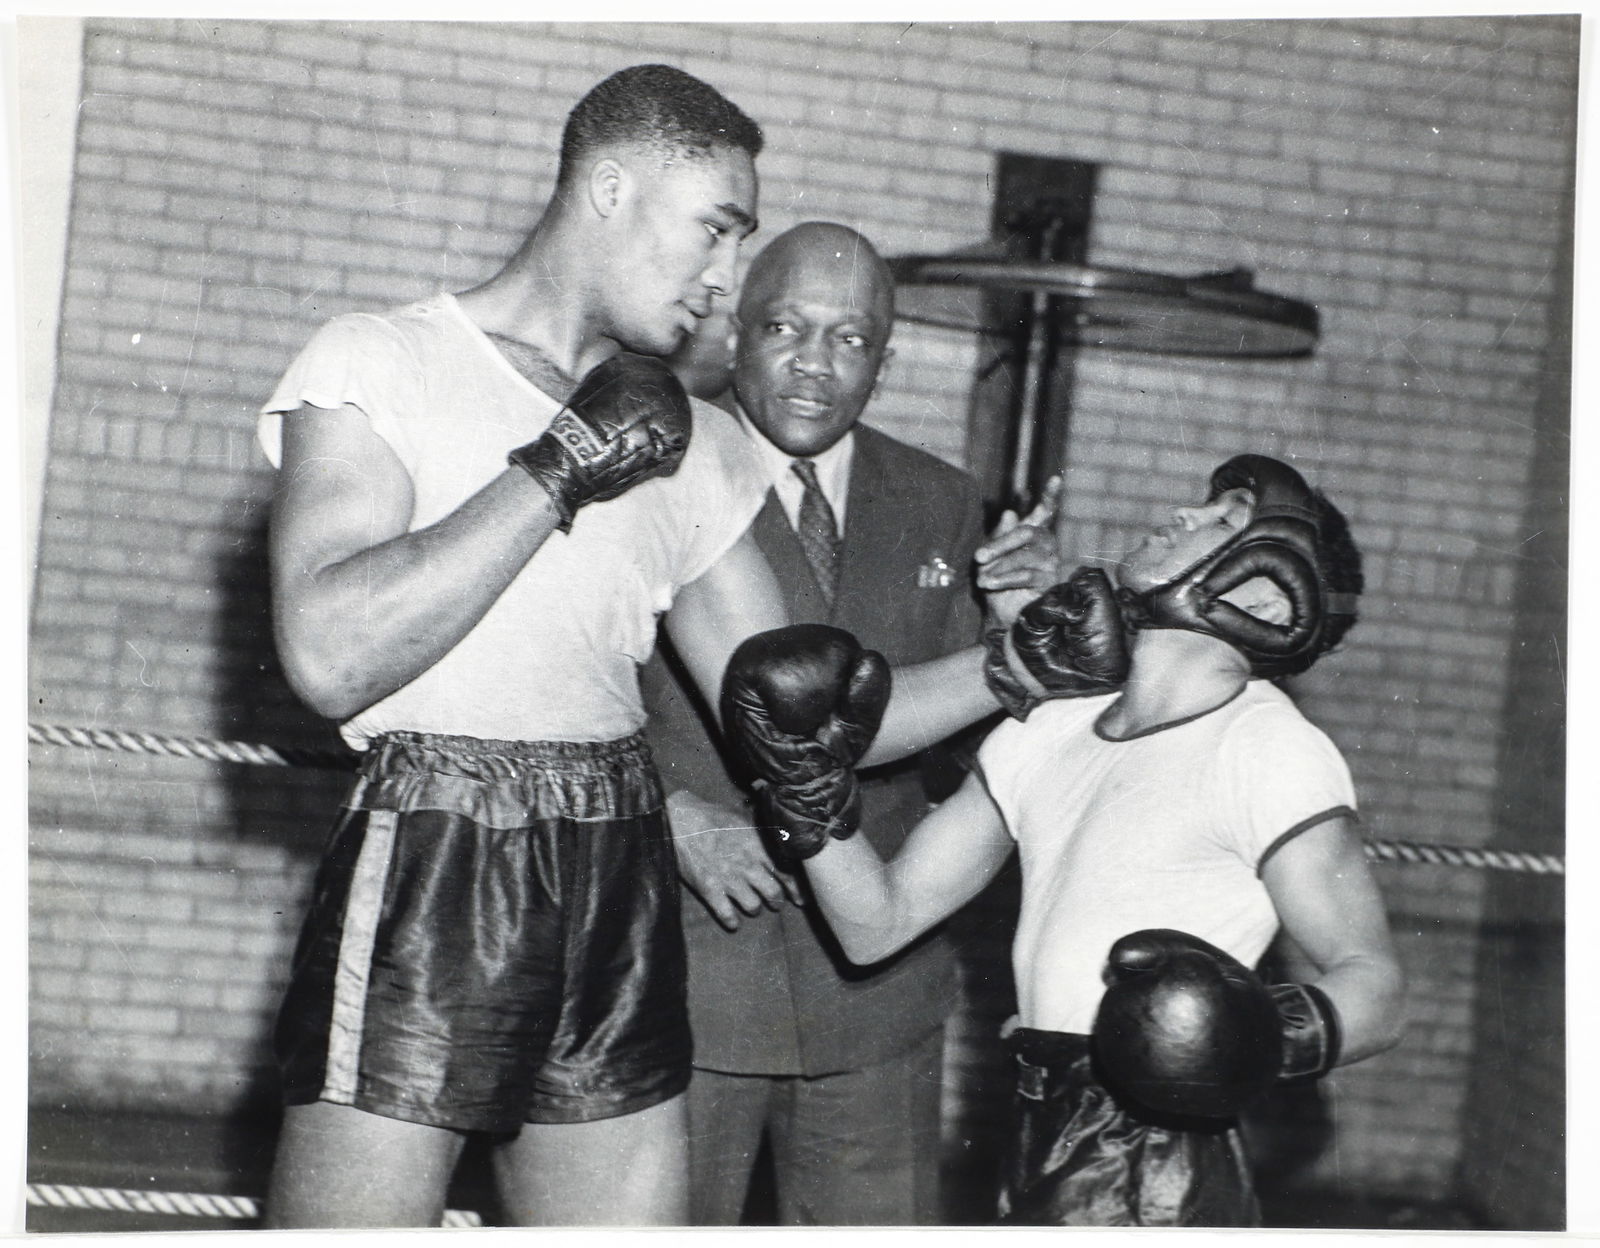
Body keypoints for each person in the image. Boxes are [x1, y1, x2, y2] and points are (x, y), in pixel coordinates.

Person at [256, 67, 1053, 1228]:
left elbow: (810, 712)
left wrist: (1026, 666)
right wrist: (554, 471)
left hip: (617, 860)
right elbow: (329, 653)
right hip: (436, 838)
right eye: (715, 231)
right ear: (613, 189)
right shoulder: (383, 360)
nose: (725, 280)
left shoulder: (692, 442)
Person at [763, 453, 1406, 1227]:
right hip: (1037, 1126)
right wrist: (803, 793)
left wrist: (1247, 1034)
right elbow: (878, 922)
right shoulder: (1052, 726)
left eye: (1223, 518)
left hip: (1160, 1159)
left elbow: (1375, 991)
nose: (1183, 514)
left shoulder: (1267, 747)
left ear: (1270, 589)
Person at [643, 222, 1030, 1225]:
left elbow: (955, 745)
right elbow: (561, 697)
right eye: (785, 326)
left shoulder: (942, 500)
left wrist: (1010, 625)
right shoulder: (657, 469)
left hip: (877, 1001)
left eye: (850, 339)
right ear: (735, 335)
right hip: (688, 979)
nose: (815, 362)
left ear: (885, 361)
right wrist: (673, 814)